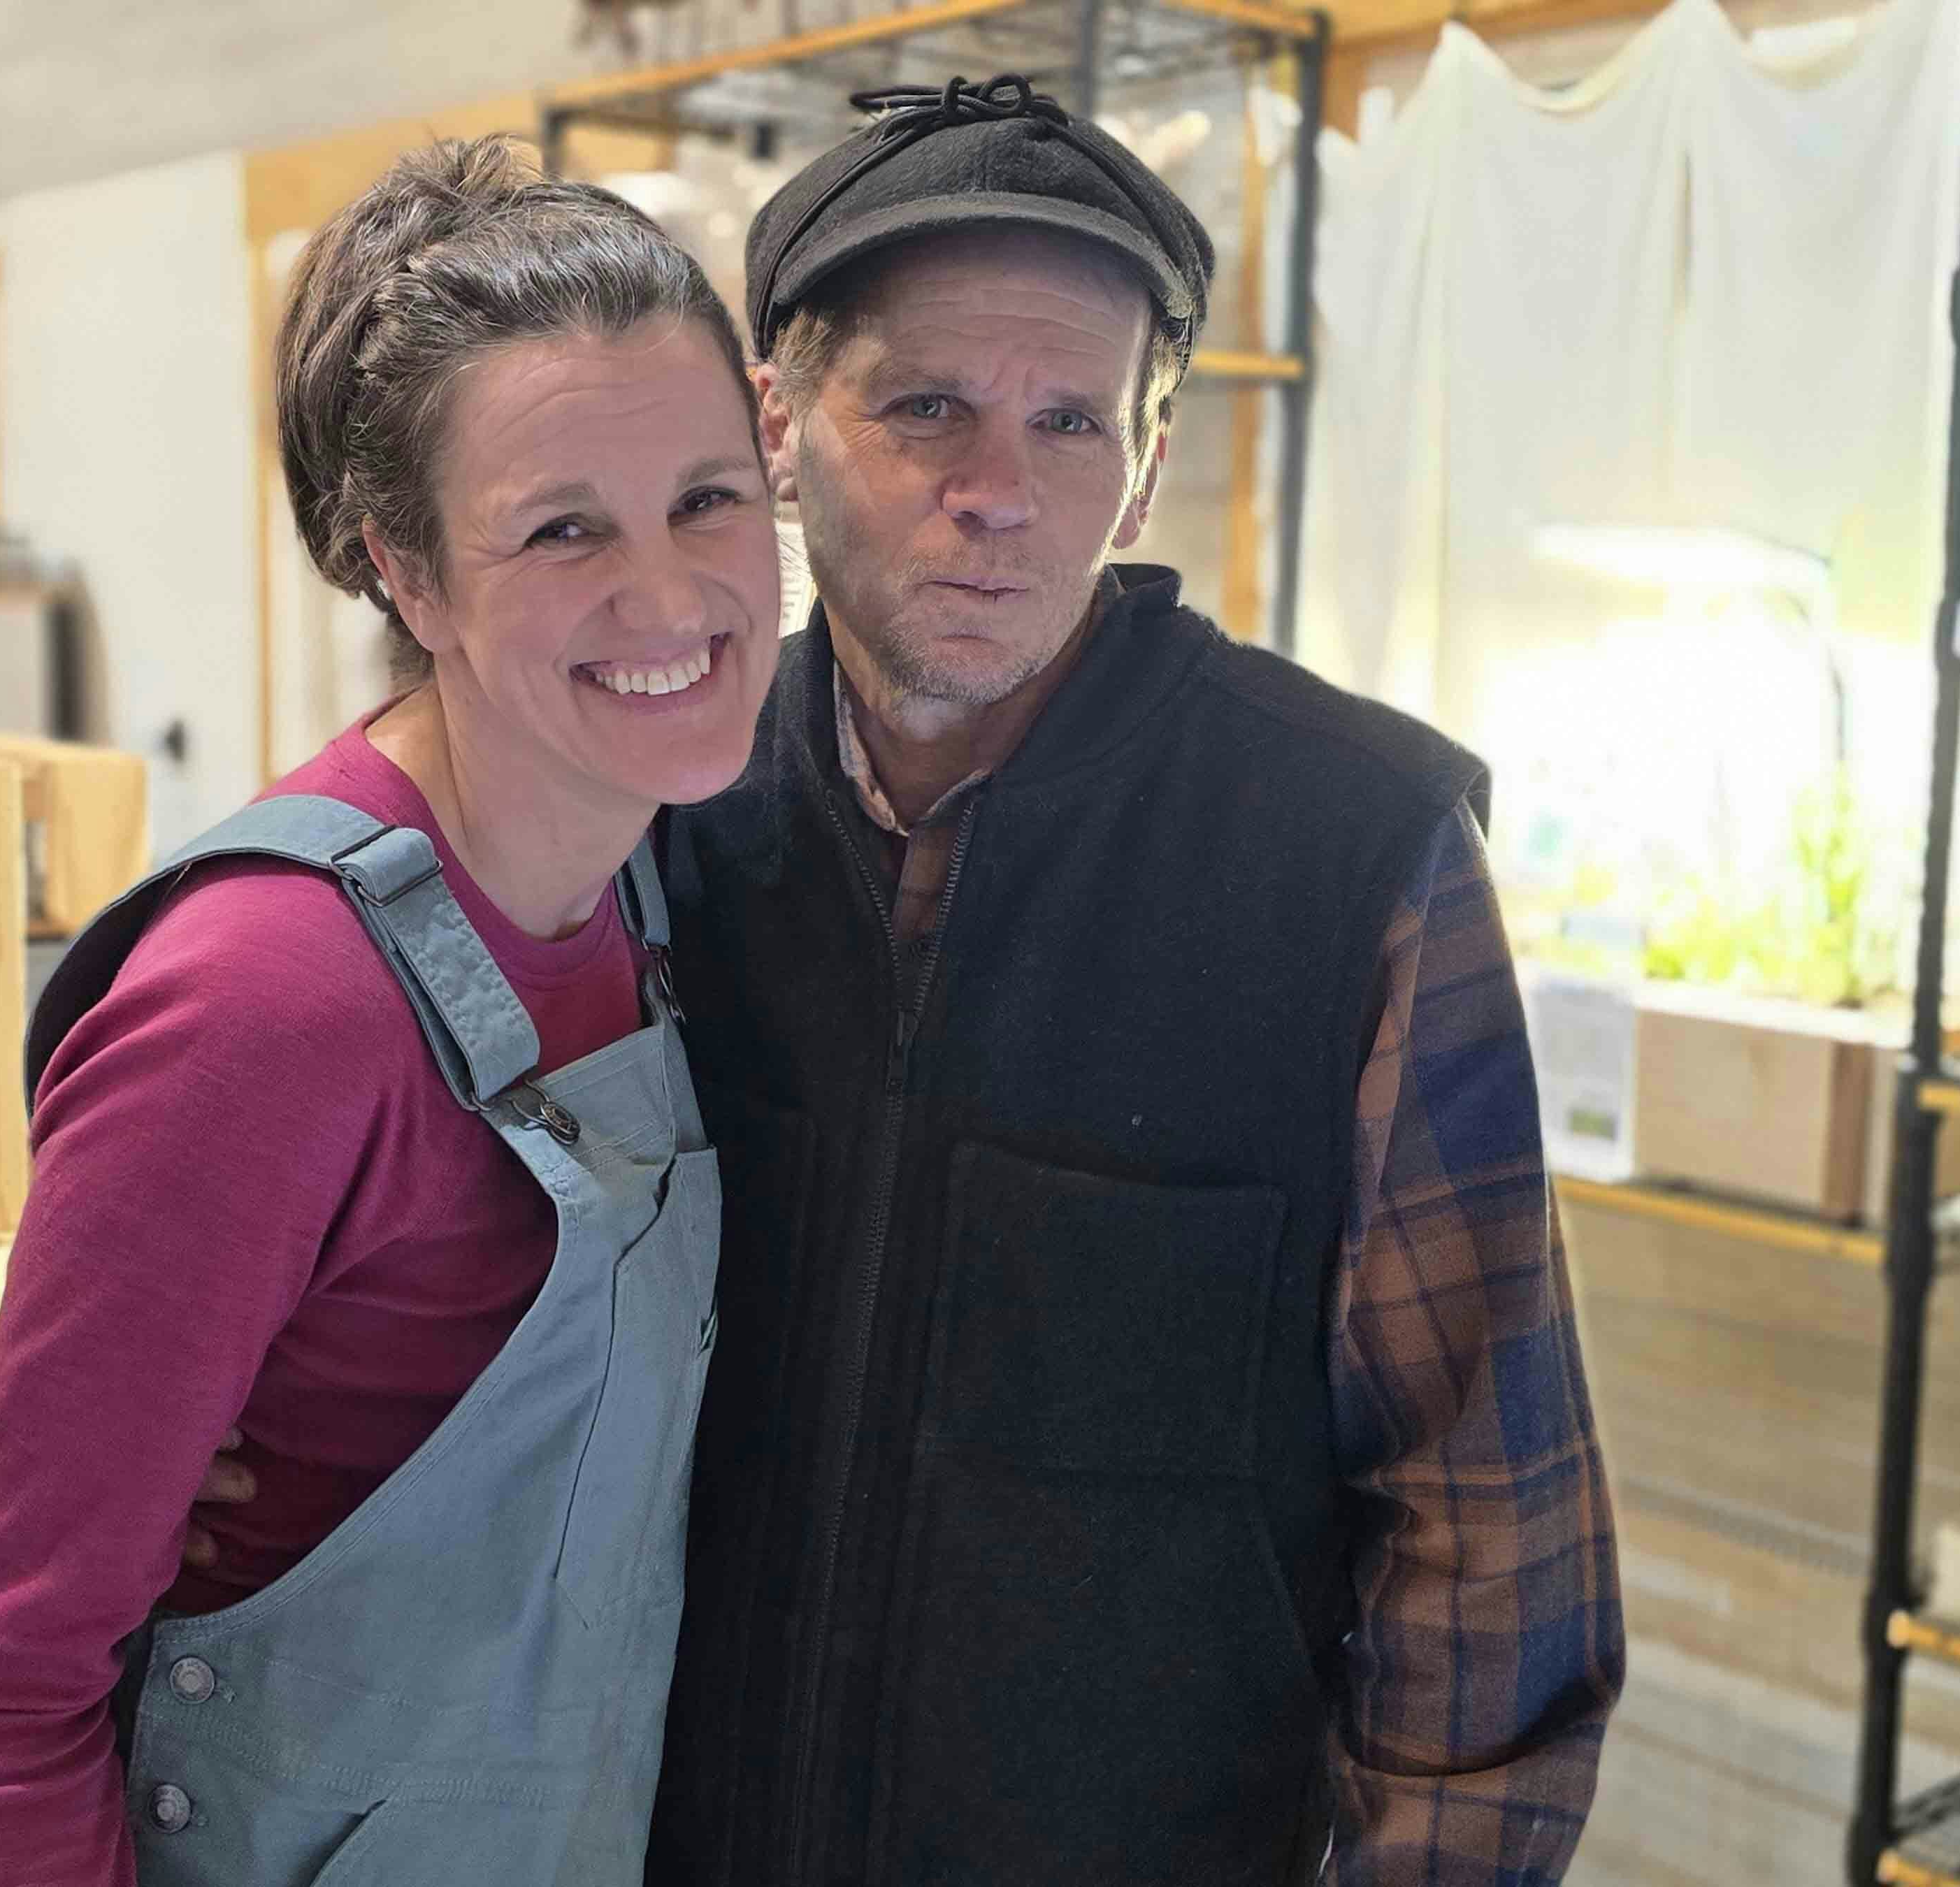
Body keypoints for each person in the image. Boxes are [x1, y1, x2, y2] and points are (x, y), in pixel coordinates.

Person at [643, 76, 1627, 1883]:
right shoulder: (660, 816)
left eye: (1069, 421)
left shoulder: (1355, 856)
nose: (994, 492)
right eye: (921, 405)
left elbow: (1488, 1538)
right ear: (779, 424)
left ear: (1149, 457)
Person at [0, 138, 780, 1887]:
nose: (671, 594)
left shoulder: (652, 879)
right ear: (407, 575)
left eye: (706, 497)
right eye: (558, 530)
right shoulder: (267, 1003)